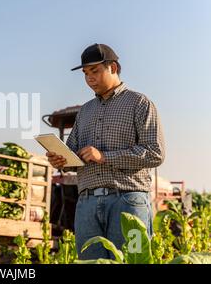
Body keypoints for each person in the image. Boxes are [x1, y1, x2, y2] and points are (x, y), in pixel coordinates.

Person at [47, 43, 165, 260]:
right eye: (85, 73)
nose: (89, 78)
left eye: (95, 71)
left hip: (128, 201)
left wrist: (104, 157)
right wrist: (62, 159)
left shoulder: (139, 103)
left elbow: (155, 153)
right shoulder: (85, 111)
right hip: (87, 204)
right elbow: (75, 154)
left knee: (131, 261)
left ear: (113, 68)